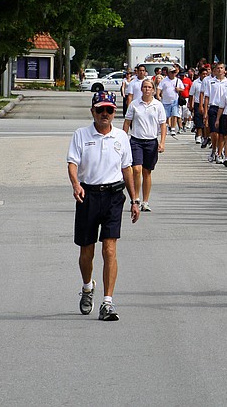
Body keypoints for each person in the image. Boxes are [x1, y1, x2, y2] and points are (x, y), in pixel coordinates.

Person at [67, 91, 140, 321]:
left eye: (109, 110)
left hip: (113, 196)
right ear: (93, 112)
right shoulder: (81, 135)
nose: (105, 114)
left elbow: (127, 168)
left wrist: (135, 200)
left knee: (109, 249)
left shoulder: (121, 137)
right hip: (88, 196)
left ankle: (107, 303)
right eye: (100, 110)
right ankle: (88, 287)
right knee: (86, 251)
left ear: (114, 112)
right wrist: (76, 184)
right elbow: (72, 163)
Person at [122, 78, 167, 212]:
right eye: (144, 87)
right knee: (136, 169)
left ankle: (145, 201)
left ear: (153, 90)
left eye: (149, 87)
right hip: (136, 140)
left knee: (147, 171)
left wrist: (162, 142)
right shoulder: (135, 104)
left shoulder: (158, 105)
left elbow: (163, 124)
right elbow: (127, 122)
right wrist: (123, 139)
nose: (147, 89)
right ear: (141, 89)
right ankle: (135, 198)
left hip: (151, 141)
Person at [157, 66, 182, 137]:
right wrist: (158, 95)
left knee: (174, 115)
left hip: (175, 100)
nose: (173, 74)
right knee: (165, 116)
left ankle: (173, 128)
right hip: (165, 101)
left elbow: (183, 89)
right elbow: (159, 88)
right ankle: (166, 127)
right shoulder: (164, 80)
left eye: (174, 72)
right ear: (168, 73)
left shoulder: (178, 80)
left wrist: (178, 89)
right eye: (171, 72)